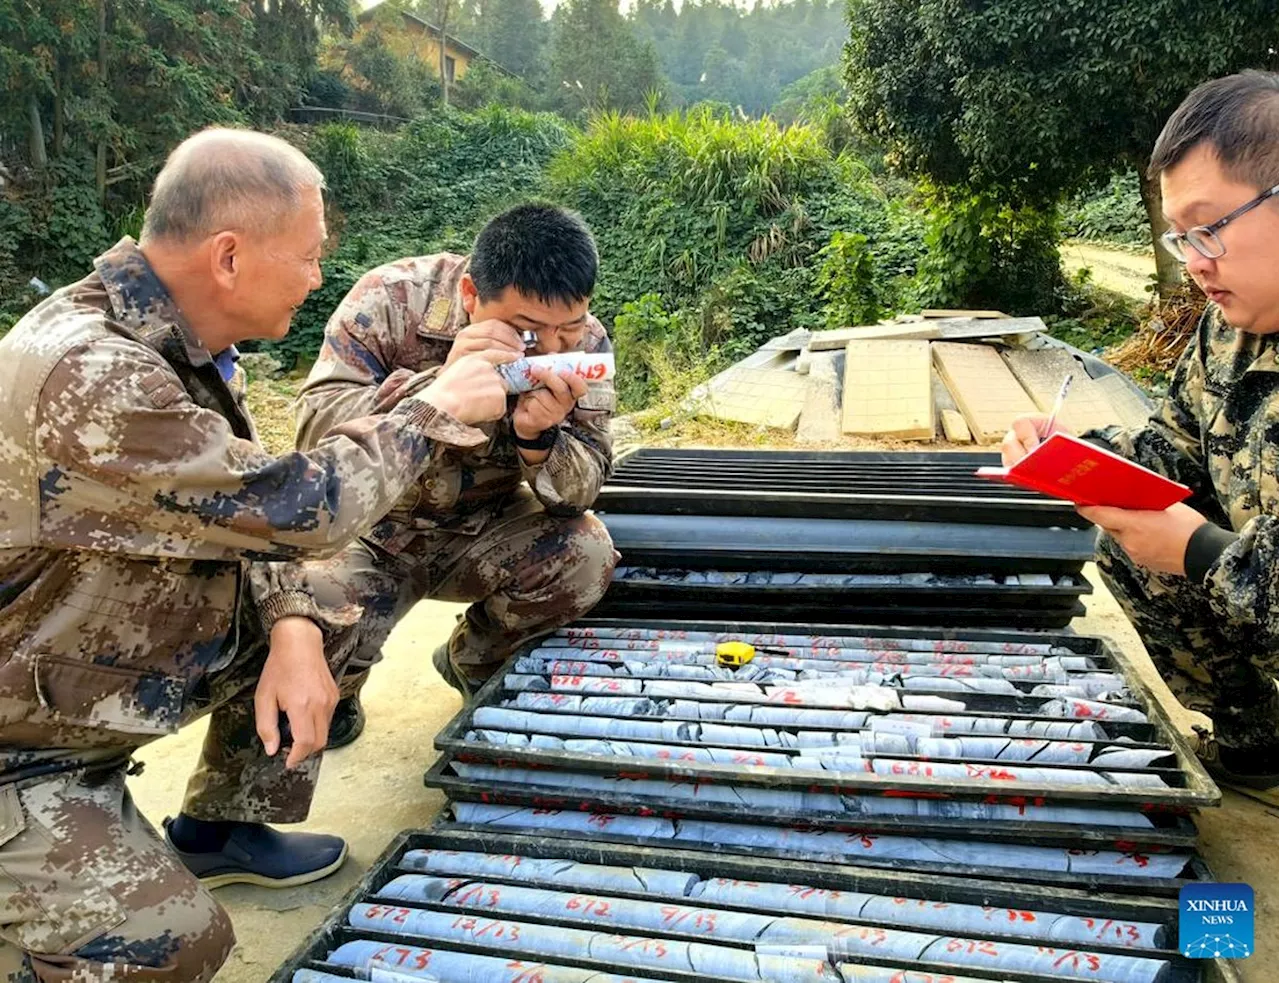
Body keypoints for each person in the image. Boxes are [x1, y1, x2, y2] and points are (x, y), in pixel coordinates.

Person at [0, 128, 512, 981]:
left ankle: (223, 825)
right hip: (19, 742)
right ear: (229, 257)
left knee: (328, 610)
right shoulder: (89, 374)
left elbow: (242, 516)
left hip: (69, 685)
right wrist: (435, 406)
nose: (318, 279)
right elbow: (295, 504)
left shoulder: (174, 342)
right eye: (308, 257)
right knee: (168, 946)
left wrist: (295, 630)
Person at [1002, 71, 1280, 796]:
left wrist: (1194, 547)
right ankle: (1260, 739)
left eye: (1210, 228)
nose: (1193, 263)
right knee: (1128, 541)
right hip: (1253, 589)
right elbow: (1174, 453)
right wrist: (1074, 456)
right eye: (1179, 236)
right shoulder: (1229, 333)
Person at [294, 203, 619, 748]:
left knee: (586, 554)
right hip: (373, 526)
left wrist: (540, 442)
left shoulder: (585, 343)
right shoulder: (391, 299)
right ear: (471, 295)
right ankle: (342, 687)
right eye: (527, 331)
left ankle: (473, 659)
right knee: (306, 604)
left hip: (485, 525)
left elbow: (582, 489)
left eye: (569, 328)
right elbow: (313, 437)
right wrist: (436, 390)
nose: (553, 347)